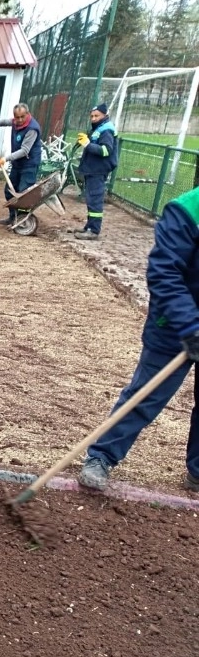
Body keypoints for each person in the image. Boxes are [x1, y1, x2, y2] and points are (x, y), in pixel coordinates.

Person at [79, 186, 199, 492]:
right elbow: (164, 272)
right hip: (174, 322)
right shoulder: (187, 210)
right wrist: (189, 326)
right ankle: (101, 456)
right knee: (147, 393)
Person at [0, 103, 42, 227]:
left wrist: (5, 159)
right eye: (16, 117)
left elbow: (24, 151)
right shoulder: (15, 122)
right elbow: (2, 121)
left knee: (24, 195)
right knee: (9, 191)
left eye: (22, 117)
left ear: (28, 114)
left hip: (29, 165)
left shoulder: (32, 128)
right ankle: (13, 217)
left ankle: (22, 221)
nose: (19, 120)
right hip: (17, 164)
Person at [74, 103, 118, 241]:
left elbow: (106, 151)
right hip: (92, 169)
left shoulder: (106, 130)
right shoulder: (98, 128)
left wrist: (87, 144)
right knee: (91, 199)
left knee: (95, 200)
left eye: (96, 116)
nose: (93, 118)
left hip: (98, 170)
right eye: (92, 116)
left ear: (104, 115)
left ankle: (93, 230)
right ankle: (89, 226)